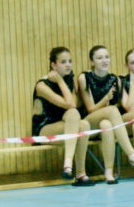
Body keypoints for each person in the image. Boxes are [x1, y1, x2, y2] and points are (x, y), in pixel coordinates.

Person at [78, 44, 134, 180]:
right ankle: (131, 154)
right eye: (99, 58)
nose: (104, 60)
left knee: (107, 124)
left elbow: (129, 107)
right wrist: (106, 99)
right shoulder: (84, 78)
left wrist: (132, 82)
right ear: (92, 62)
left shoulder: (115, 80)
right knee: (112, 110)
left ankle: (109, 172)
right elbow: (90, 109)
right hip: (89, 123)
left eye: (107, 57)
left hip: (105, 123)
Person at [34, 47, 92, 186]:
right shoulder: (42, 85)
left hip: (67, 125)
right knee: (75, 116)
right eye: (63, 62)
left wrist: (62, 81)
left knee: (84, 124)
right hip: (44, 129)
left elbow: (72, 106)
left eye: (70, 61)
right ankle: (68, 164)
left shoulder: (70, 80)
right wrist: (60, 81)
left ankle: (80, 173)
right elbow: (69, 104)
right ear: (53, 65)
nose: (68, 65)